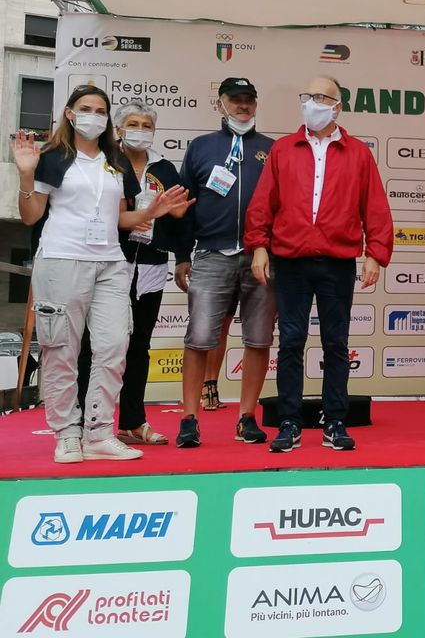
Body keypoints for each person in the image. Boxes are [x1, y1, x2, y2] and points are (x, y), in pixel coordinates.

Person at [13, 85, 187, 462]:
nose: (93, 116)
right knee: (62, 350)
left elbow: (119, 218)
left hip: (110, 262)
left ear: (108, 119)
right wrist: (26, 176)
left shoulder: (115, 160)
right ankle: (67, 433)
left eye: (100, 110)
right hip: (62, 259)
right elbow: (30, 216)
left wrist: (149, 213)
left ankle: (99, 432)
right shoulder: (53, 157)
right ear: (70, 113)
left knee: (113, 346)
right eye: (86, 108)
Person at [246, 76, 393, 453]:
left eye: (322, 97)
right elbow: (263, 202)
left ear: (337, 107)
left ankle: (335, 422)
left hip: (337, 262)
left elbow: (375, 206)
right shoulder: (283, 149)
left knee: (336, 343)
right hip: (290, 261)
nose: (312, 102)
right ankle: (289, 422)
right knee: (291, 341)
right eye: (308, 96)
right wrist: (259, 246)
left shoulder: (358, 153)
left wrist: (375, 253)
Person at [75, 101, 194, 446]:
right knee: (94, 345)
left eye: (146, 125)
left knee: (139, 345)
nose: (140, 130)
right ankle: (83, 421)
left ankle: (132, 421)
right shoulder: (106, 161)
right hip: (108, 262)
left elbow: (180, 216)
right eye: (133, 124)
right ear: (119, 128)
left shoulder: (165, 169)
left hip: (152, 266)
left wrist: (182, 255)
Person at [174, 77, 276, 448]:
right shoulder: (201, 146)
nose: (243, 105)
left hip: (261, 256)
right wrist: (182, 255)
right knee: (199, 338)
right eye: (235, 99)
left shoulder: (272, 149)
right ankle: (189, 419)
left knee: (258, 339)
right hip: (211, 253)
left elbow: (282, 205)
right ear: (220, 103)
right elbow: (183, 205)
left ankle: (247, 417)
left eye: (249, 99)